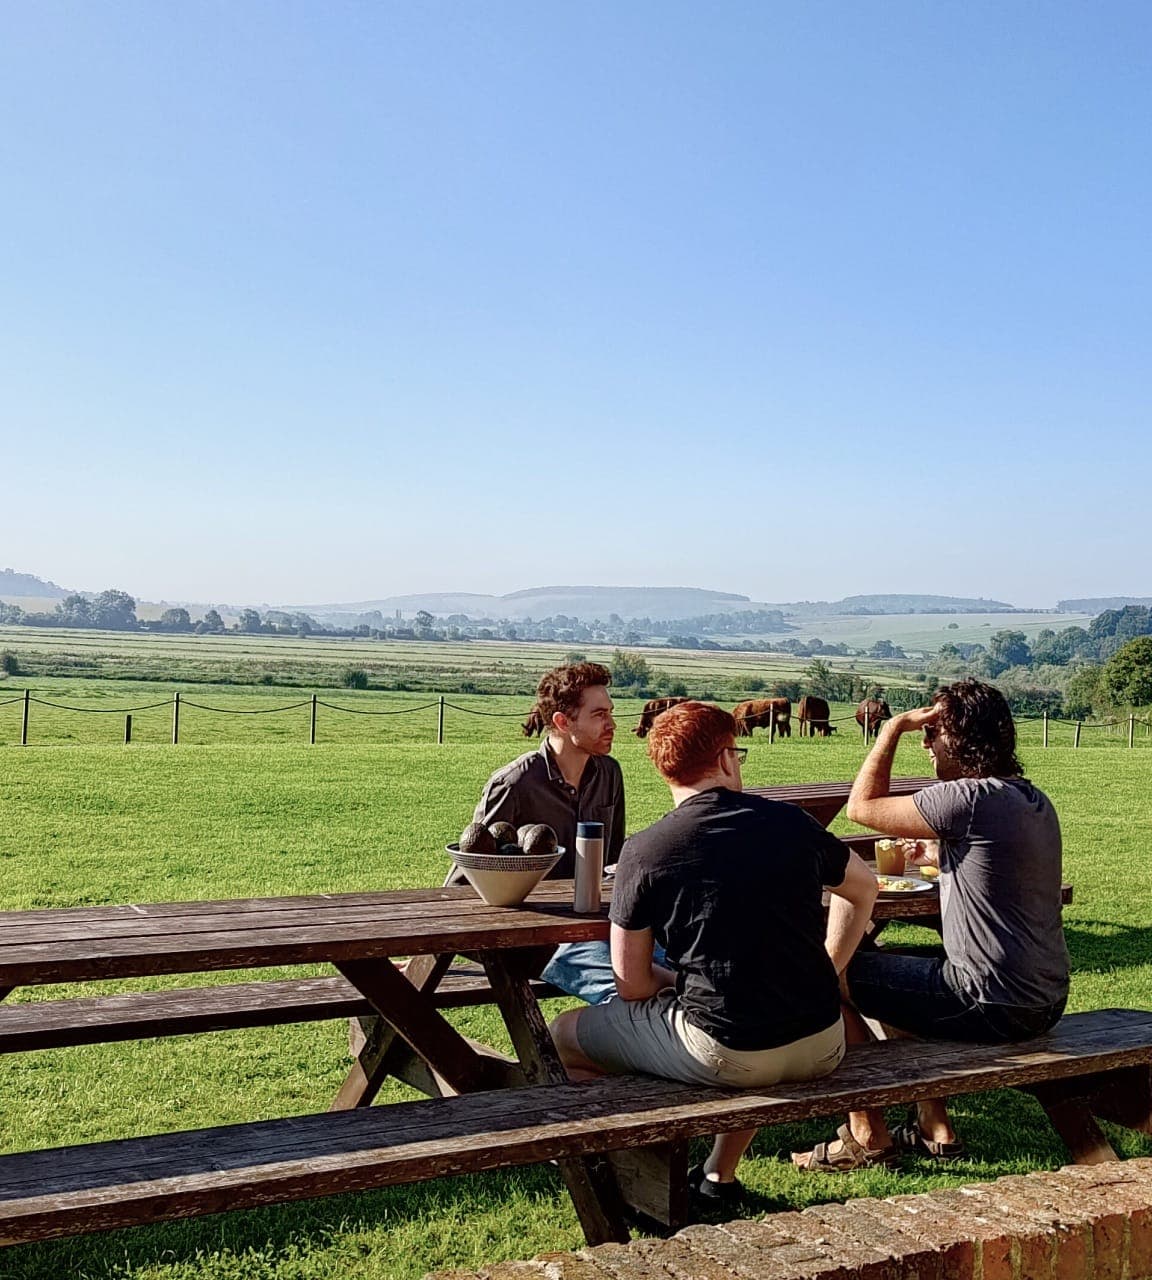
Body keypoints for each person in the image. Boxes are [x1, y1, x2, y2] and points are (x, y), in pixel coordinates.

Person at [550, 701, 879, 1200]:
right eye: (739, 755)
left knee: (563, 1035)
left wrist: (680, 983)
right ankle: (716, 1177)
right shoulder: (792, 824)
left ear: (665, 770)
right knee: (738, 1023)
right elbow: (863, 889)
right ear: (726, 759)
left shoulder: (646, 849)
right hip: (824, 1042)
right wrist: (828, 967)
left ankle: (625, 1180)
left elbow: (632, 984)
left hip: (726, 1051)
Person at [793, 678, 1070, 1172]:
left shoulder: (967, 797)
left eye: (933, 731)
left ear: (960, 738)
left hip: (989, 1000)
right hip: (1043, 998)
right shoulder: (1032, 799)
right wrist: (945, 853)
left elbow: (861, 808)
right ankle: (934, 1125)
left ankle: (866, 1134)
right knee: (899, 978)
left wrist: (890, 732)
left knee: (823, 975)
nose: (926, 744)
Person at [459, 661, 625, 1004]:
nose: (611, 724)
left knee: (679, 975)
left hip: (599, 927)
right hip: (540, 939)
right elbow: (464, 882)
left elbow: (613, 862)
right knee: (626, 995)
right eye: (598, 715)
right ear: (563, 722)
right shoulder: (514, 784)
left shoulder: (609, 774)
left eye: (610, 712)